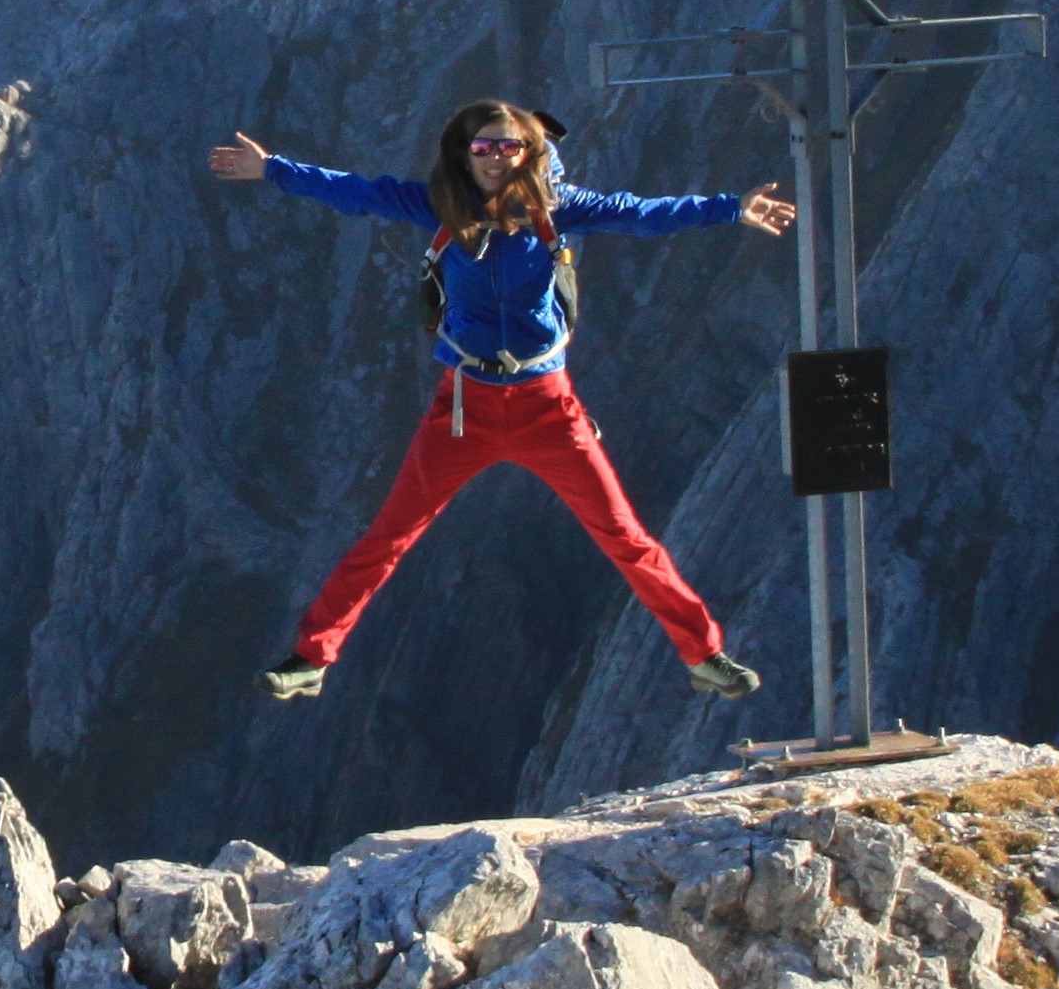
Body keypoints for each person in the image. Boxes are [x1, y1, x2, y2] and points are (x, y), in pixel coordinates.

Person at [210, 101, 795, 703]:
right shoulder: (441, 205)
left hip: (548, 406)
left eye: (507, 147)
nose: (494, 158)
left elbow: (641, 214)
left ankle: (705, 655)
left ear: (529, 153)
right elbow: (357, 192)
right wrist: (273, 169)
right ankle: (310, 659)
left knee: (626, 536)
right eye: (483, 147)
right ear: (463, 154)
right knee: (388, 536)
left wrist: (732, 208)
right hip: (464, 408)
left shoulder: (557, 210)